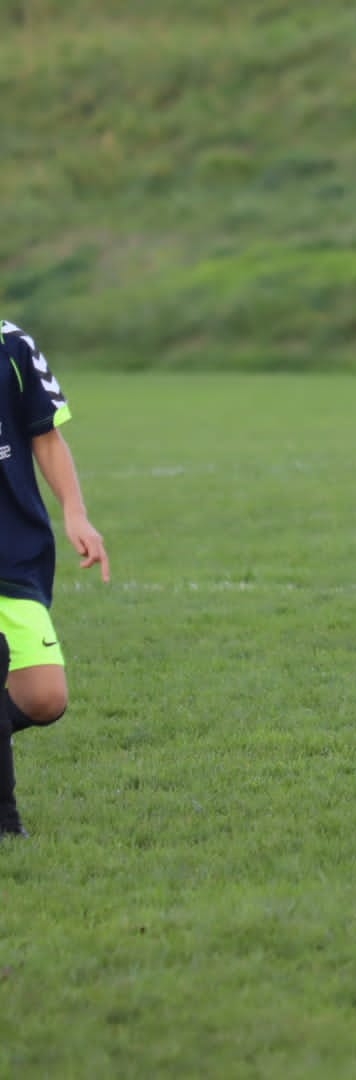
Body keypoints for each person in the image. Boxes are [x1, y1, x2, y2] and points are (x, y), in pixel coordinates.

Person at [0, 318, 109, 839]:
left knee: (44, 698)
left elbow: (45, 437)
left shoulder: (12, 345)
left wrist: (76, 514)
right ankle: (6, 824)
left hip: (13, 548)